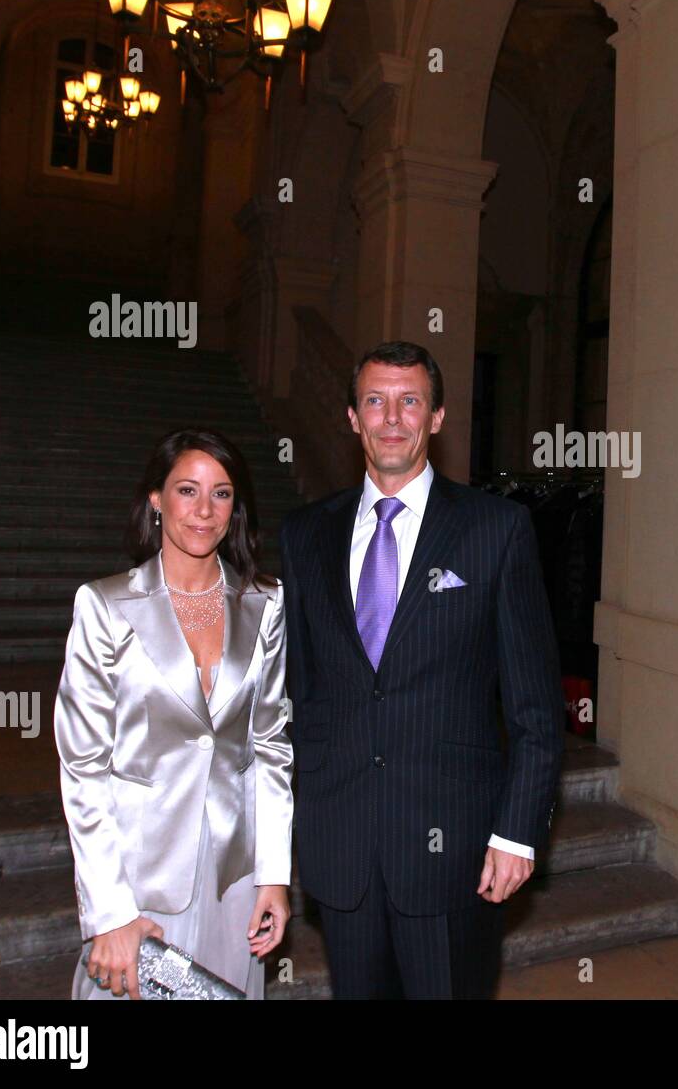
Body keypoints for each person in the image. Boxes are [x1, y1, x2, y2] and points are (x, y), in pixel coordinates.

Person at [279, 341, 563, 999]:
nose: (392, 418)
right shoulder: (305, 535)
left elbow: (536, 709)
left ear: (436, 417)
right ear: (352, 416)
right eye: (375, 401)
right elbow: (298, 692)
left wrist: (517, 829)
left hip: (452, 848)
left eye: (411, 401)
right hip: (342, 843)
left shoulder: (496, 529)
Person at [55, 429, 294, 999]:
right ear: (156, 500)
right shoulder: (105, 606)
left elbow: (271, 746)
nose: (204, 511)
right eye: (187, 490)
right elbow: (83, 768)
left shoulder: (265, 601)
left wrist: (274, 876)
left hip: (232, 881)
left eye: (222, 494)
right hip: (139, 878)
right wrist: (109, 913)